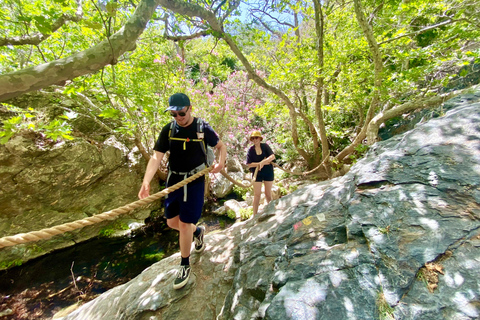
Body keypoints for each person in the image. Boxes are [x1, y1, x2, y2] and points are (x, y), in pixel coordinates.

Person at [138, 93, 226, 290]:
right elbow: (156, 157)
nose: (178, 117)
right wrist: (146, 181)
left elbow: (221, 146)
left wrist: (221, 163)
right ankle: (199, 231)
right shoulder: (169, 130)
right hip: (174, 179)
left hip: (194, 180)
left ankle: (185, 265)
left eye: (181, 112)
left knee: (185, 225)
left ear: (190, 108)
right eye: (174, 114)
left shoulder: (202, 128)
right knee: (172, 222)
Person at [246, 130, 275, 216]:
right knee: (257, 194)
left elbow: (272, 156)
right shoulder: (250, 150)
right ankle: (254, 215)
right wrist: (261, 163)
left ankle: (272, 211)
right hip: (256, 173)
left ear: (260, 138)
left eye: (256, 138)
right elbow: (249, 164)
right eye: (253, 138)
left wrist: (264, 162)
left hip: (268, 172)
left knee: (268, 193)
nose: (255, 140)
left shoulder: (265, 146)